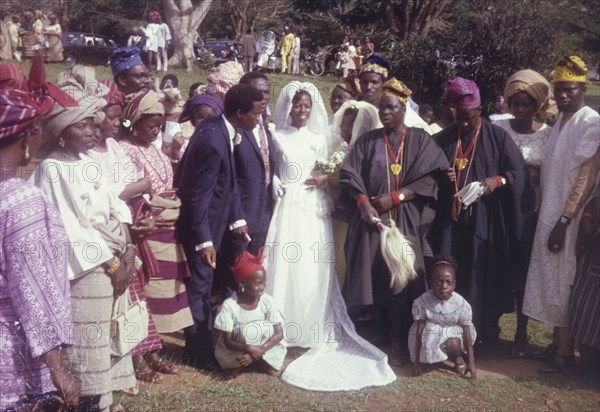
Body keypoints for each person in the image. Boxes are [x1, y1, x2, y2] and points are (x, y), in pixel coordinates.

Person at [263, 81, 396, 391]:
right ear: (288, 106)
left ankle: (309, 327)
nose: (303, 110)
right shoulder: (275, 135)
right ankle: (282, 328)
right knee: (284, 263)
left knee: (312, 266)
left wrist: (326, 177)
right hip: (287, 205)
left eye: (307, 105)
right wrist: (274, 180)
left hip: (311, 205)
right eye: (298, 105)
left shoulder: (319, 139)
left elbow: (333, 167)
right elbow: (269, 165)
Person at [31, 84, 137, 412]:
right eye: (82, 125)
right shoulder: (52, 169)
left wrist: (129, 249)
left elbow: (114, 205)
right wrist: (112, 264)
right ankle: (92, 404)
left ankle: (106, 399)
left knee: (106, 335)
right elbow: (72, 227)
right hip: (88, 267)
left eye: (94, 123)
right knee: (86, 340)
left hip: (114, 255)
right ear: (62, 133)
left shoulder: (88, 161)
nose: (92, 131)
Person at [340, 78, 448, 364]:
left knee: (403, 277)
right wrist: (363, 203)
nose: (385, 113)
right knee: (375, 275)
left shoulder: (420, 139)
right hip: (373, 220)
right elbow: (350, 175)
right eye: (382, 108)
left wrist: (397, 197)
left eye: (391, 108)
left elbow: (430, 177)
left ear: (403, 110)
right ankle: (379, 332)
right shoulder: (367, 141)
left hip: (406, 220)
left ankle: (400, 339)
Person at [0, 55, 80, 412]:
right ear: (30, 136)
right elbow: (32, 287)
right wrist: (58, 368)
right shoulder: (21, 201)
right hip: (14, 362)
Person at [432, 77, 536, 344]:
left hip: (485, 222)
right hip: (451, 221)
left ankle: (485, 330)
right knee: (452, 270)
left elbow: (518, 174)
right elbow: (425, 174)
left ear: (479, 111)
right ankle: (450, 329)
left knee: (483, 273)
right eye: (459, 118)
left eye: (469, 118)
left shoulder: (497, 137)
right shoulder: (443, 138)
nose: (464, 124)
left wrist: (497, 181)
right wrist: (441, 176)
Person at [523, 56, 600, 373]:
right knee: (552, 281)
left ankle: (566, 353)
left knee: (565, 281)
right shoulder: (560, 123)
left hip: (568, 219)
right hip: (549, 215)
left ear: (582, 89)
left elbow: (586, 177)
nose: (564, 96)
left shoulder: (590, 122)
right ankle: (557, 342)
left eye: (570, 90)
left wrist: (565, 221)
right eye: (559, 91)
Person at [177, 84, 262, 370]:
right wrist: (205, 242)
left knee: (204, 285)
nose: (258, 119)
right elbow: (198, 195)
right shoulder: (214, 141)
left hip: (217, 222)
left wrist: (237, 219)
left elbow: (229, 181)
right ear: (240, 113)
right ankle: (197, 350)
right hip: (202, 227)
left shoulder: (219, 127)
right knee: (200, 287)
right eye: (256, 113)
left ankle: (203, 340)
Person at [119, 90, 194, 372]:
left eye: (158, 127)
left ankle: (153, 350)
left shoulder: (154, 148)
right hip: (146, 228)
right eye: (150, 126)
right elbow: (128, 193)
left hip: (166, 228)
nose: (155, 132)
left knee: (162, 293)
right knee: (144, 294)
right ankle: (137, 356)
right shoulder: (124, 149)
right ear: (134, 123)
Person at [493, 69, 556, 358]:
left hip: (528, 210)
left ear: (537, 107)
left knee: (523, 272)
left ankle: (521, 329)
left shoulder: (547, 135)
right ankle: (490, 324)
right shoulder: (498, 127)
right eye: (515, 103)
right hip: (498, 208)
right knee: (495, 264)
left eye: (526, 104)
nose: (520, 110)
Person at [215, 72, 276, 297]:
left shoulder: (265, 124)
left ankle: (248, 315)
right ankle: (227, 319)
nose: (262, 97)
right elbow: (227, 177)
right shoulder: (235, 127)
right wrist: (235, 216)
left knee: (254, 265)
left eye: (266, 92)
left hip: (263, 210)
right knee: (235, 265)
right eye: (256, 92)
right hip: (241, 212)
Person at [329, 100, 382, 283]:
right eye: (344, 126)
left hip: (361, 213)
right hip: (338, 212)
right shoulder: (338, 147)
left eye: (351, 128)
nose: (346, 131)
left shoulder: (371, 152)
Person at [214, 250, 286, 378]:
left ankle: (260, 361)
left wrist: (253, 354)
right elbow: (228, 342)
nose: (263, 287)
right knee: (246, 331)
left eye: (264, 282)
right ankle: (238, 365)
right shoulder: (230, 305)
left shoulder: (267, 301)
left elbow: (279, 334)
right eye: (258, 283)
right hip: (236, 349)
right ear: (242, 283)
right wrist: (248, 348)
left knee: (267, 328)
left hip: (262, 348)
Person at [410, 255, 476, 379]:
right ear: (431, 283)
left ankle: (457, 358)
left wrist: (471, 362)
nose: (444, 286)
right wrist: (416, 362)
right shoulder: (422, 301)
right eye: (439, 282)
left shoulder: (461, 304)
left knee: (453, 343)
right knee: (429, 333)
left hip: (452, 331)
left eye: (448, 282)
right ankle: (427, 359)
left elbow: (467, 332)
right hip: (432, 331)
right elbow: (419, 332)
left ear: (454, 284)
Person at [569, 182, 600, 375]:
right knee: (586, 303)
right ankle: (587, 359)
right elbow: (592, 204)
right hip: (592, 253)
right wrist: (587, 220)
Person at [358, 54, 429, 132]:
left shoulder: (402, 111)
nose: (368, 87)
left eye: (374, 82)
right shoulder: (360, 109)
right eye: (364, 82)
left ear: (383, 83)